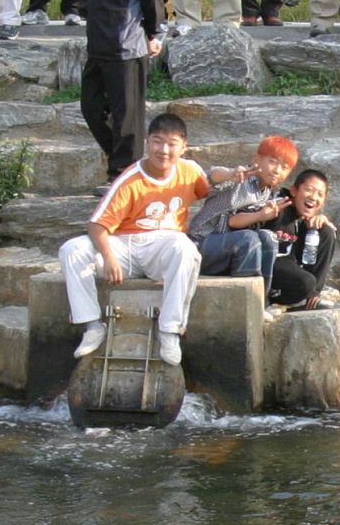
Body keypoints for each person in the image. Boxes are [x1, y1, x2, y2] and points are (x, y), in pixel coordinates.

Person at [61, 113, 259, 367]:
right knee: (72, 249)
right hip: (124, 246)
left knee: (185, 248)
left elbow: (207, 182)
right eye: (157, 141)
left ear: (183, 147)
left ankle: (170, 330)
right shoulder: (130, 179)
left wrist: (232, 174)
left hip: (162, 246)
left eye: (171, 143)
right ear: (147, 142)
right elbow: (97, 225)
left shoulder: (188, 170)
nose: (163, 150)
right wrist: (109, 259)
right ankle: (91, 325)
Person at [76, 0, 166, 179]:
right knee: (91, 108)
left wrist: (156, 34)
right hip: (99, 46)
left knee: (128, 118)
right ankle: (123, 165)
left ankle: (121, 175)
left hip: (127, 47)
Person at [191, 134, 299, 281]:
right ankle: (245, 298)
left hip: (228, 248)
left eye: (284, 167)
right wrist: (230, 174)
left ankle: (261, 299)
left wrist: (260, 215)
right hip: (200, 245)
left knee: (267, 238)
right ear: (256, 159)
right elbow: (211, 178)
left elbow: (233, 221)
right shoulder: (240, 176)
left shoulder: (266, 192)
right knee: (248, 239)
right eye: (273, 162)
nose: (277, 170)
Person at [270, 166, 337, 308]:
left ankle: (311, 298)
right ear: (294, 191)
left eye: (320, 194)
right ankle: (274, 299)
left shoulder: (302, 216)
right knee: (306, 281)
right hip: (269, 264)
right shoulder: (279, 206)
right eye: (309, 190)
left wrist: (321, 220)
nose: (313, 197)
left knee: (325, 232)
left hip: (290, 265)